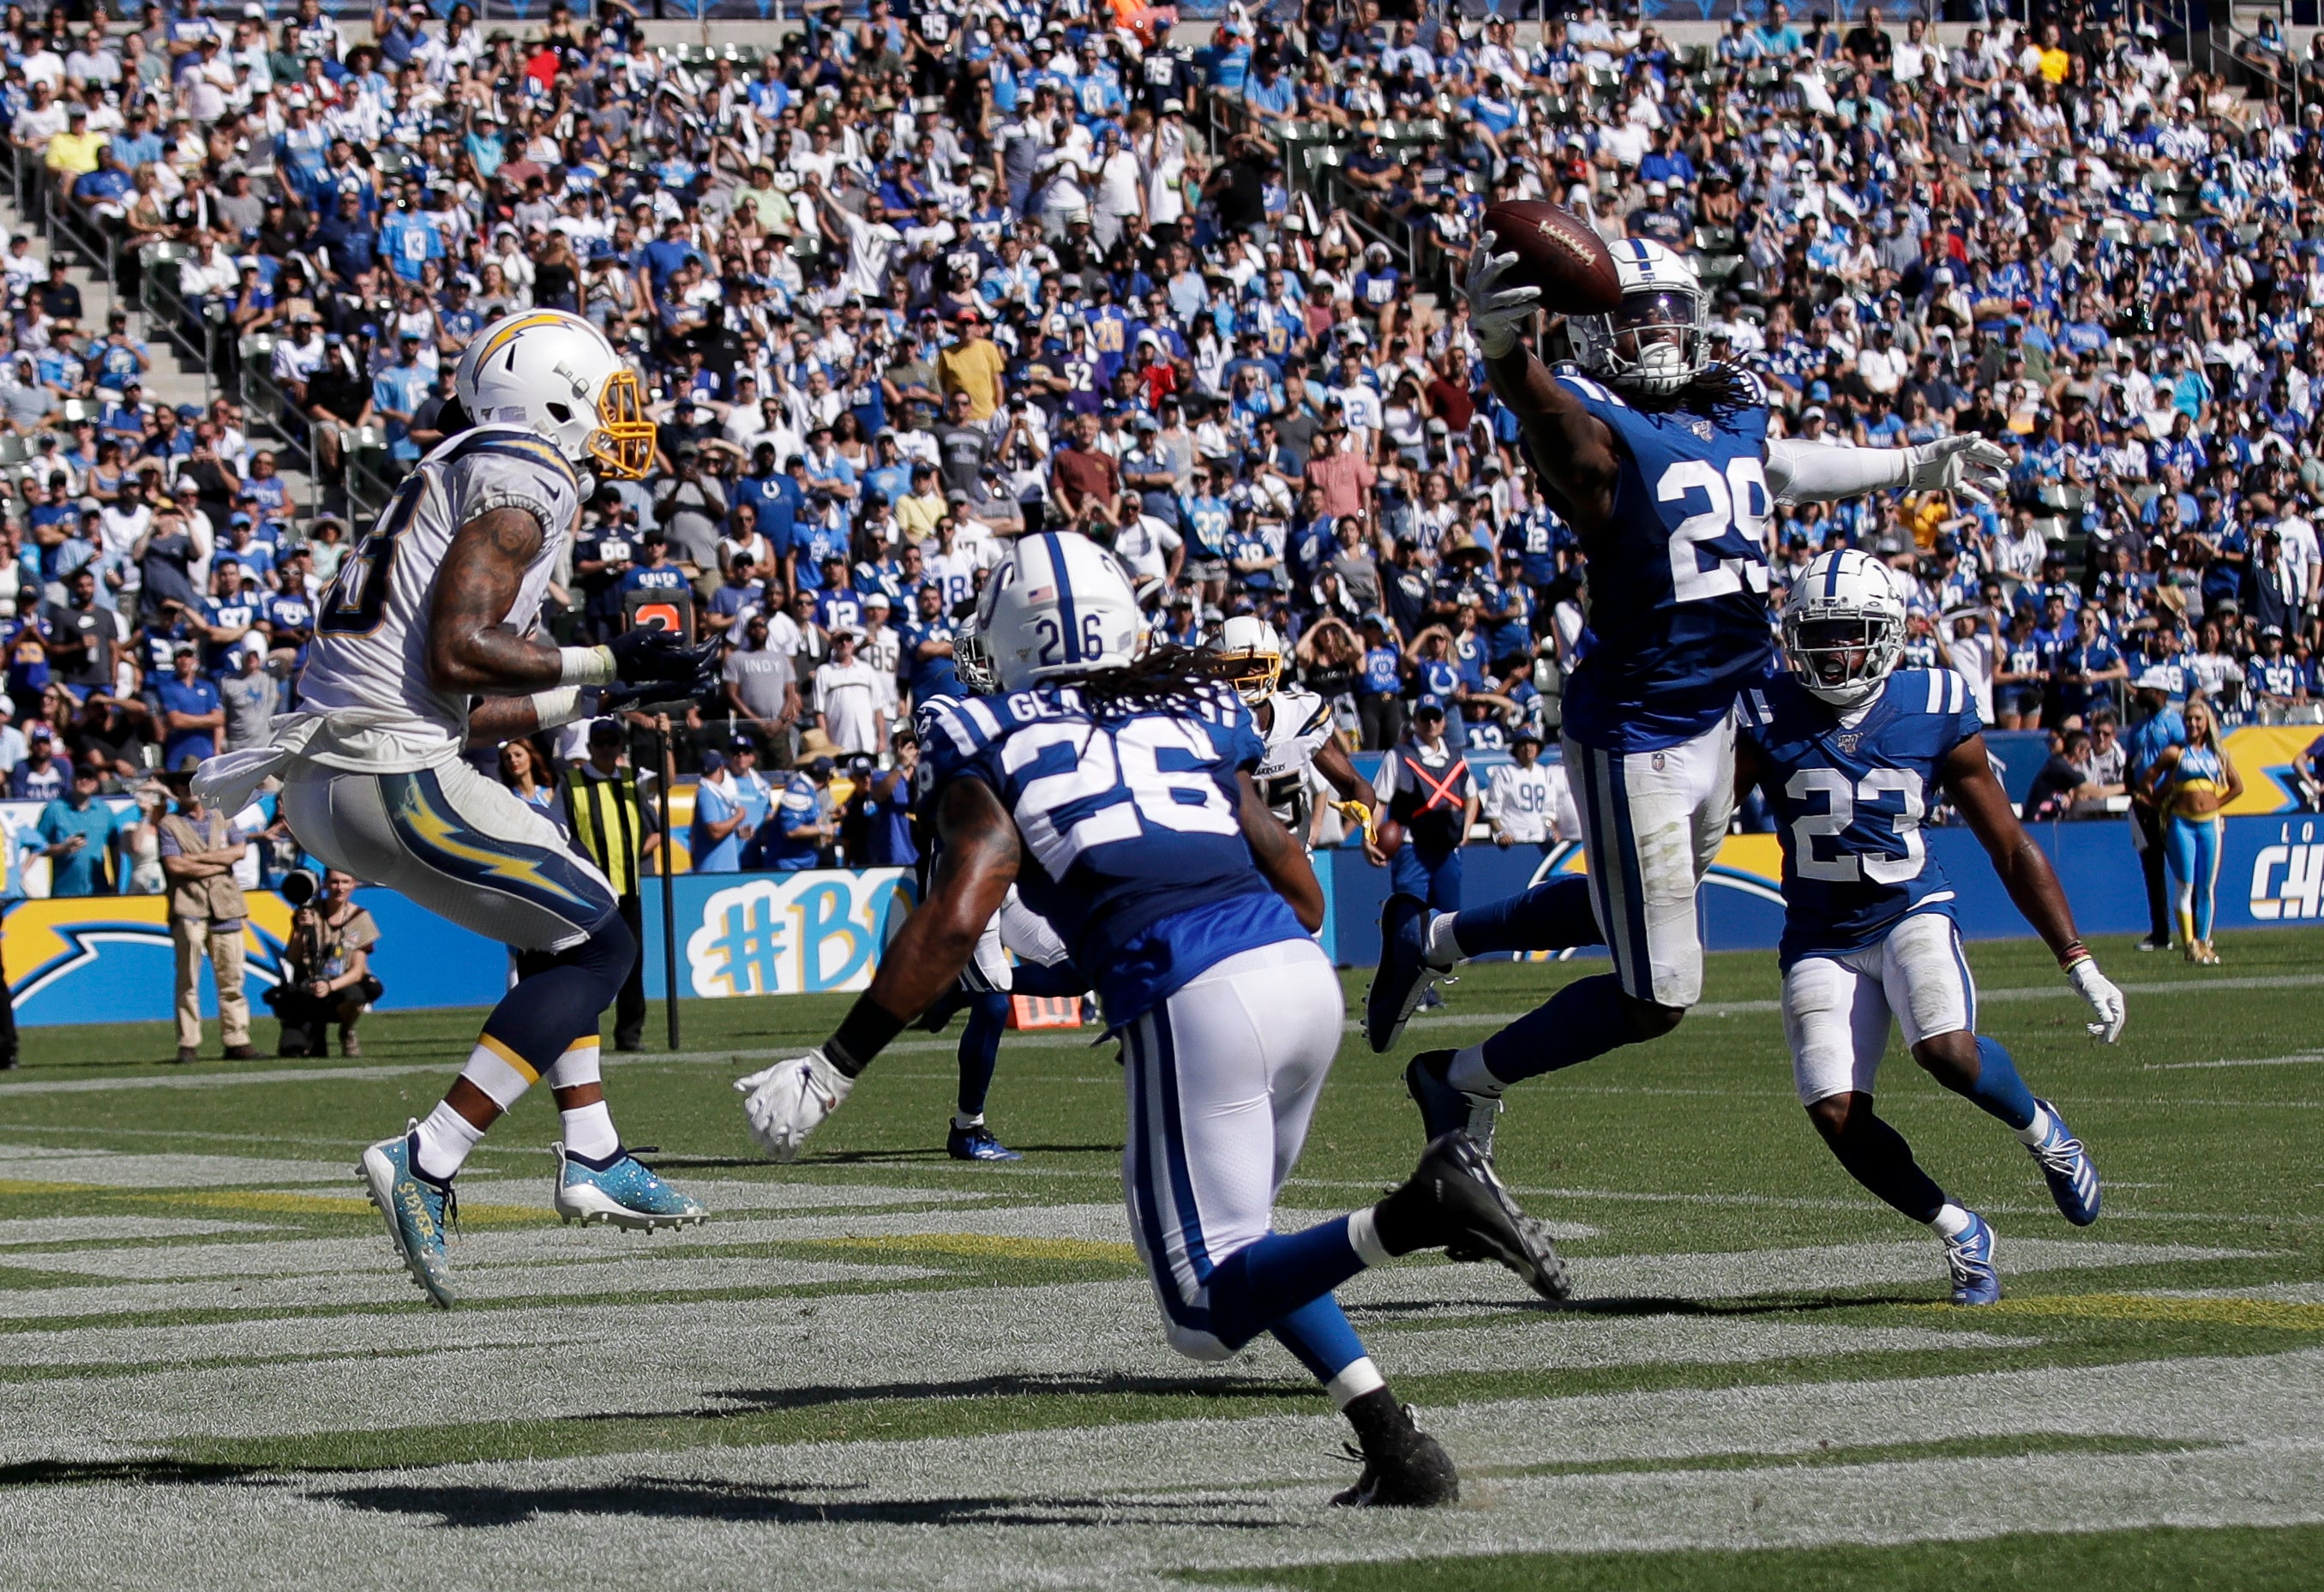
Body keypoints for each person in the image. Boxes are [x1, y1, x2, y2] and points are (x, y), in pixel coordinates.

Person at [733, 532, 1566, 1507]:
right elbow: (1299, 888)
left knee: (1200, 1312)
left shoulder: (983, 731)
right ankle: (1394, 1442)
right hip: (1298, 979)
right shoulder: (1189, 710)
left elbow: (960, 913)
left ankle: (1422, 1209)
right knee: (1247, 1249)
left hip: (1195, 994)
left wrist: (833, 1068)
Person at [1366, 234, 2007, 1153]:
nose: (1659, 329)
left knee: (1627, 907)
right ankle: (1456, 1079)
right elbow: (1560, 438)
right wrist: (1504, 354)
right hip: (1640, 731)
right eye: (1634, 315)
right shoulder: (1590, 419)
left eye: (1670, 309)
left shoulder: (1722, 407)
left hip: (1722, 715)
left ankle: (1431, 939)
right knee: (1658, 993)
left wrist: (1909, 466)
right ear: (1586, 334)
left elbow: (1776, 468)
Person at [192, 310, 713, 1308]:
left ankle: (591, 1149)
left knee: (563, 919)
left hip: (338, 777)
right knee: (601, 943)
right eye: (604, 399)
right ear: (552, 397)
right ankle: (427, 1157)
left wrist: (604, 690)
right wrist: (605, 654)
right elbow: (457, 653)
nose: (617, 421)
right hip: (391, 772)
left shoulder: (461, 468)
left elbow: (469, 700)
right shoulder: (530, 478)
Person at [1735, 550, 2122, 1303]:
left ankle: (2045, 1133)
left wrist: (2075, 958)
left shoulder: (1934, 701)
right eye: (1814, 635)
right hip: (1819, 932)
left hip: (1909, 907)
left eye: (1847, 633)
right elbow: (1703, 820)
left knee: (1944, 1049)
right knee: (1834, 1111)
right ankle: (1961, 1232)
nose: (1829, 651)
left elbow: (2008, 842)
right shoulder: (1763, 708)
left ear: (1884, 634)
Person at [1207, 616, 1377, 851]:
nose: (1250, 674)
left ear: (1274, 665)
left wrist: (1363, 808)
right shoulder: (1204, 727)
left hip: (1293, 859)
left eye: (1258, 663)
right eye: (1238, 665)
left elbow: (1355, 783)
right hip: (1234, 862)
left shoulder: (1301, 715)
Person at [557, 716, 662, 1051]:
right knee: (583, 964)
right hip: (588, 891)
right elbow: (556, 832)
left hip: (628, 888)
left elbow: (668, 781)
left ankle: (630, 1033)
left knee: (632, 963)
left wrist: (665, 740)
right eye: (599, 742)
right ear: (589, 748)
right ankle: (579, 1031)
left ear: (620, 747)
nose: (606, 748)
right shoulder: (571, 785)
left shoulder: (633, 782)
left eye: (612, 742)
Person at [156, 772, 258, 1064]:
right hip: (189, 906)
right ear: (174, 789)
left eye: (192, 782)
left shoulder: (222, 816)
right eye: (181, 784)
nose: (186, 789)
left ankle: (237, 1038)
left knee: (232, 976)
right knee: (188, 978)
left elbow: (239, 852)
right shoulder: (169, 824)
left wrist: (197, 860)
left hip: (226, 905)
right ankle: (188, 1042)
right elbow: (175, 866)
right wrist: (218, 859)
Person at [2144, 694, 2243, 965]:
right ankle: (2189, 945)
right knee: (2185, 884)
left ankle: (2204, 942)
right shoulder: (2175, 753)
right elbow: (2147, 781)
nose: (2192, 723)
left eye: (2198, 719)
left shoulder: (2218, 754)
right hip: (2181, 823)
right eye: (2188, 719)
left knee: (2206, 887)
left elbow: (2238, 786)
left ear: (2207, 722)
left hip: (2209, 823)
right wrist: (2158, 804)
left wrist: (2215, 804)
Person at [267, 868, 383, 1057]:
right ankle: (311, 1033)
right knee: (294, 1051)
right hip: (309, 986)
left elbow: (357, 970)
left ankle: (346, 1031)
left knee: (362, 992)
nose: (340, 888)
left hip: (341, 983)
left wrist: (329, 986)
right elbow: (293, 959)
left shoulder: (360, 917)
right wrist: (300, 930)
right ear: (325, 884)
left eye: (346, 882)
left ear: (354, 884)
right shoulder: (310, 912)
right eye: (335, 882)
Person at [2123, 667, 2189, 952]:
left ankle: (2194, 932)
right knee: (2152, 870)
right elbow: (2129, 765)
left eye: (2145, 690)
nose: (2138, 694)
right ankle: (2160, 933)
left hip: (2169, 803)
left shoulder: (2174, 722)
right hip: (2143, 806)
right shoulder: (2139, 726)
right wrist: (2135, 794)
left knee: (2183, 866)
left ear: (2159, 693)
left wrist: (2163, 794)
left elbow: (2184, 761)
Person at [1481, 729, 1576, 860]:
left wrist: (1552, 830)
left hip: (1539, 841)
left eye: (1532, 744)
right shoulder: (1504, 773)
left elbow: (1549, 811)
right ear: (1516, 749)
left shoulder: (1544, 774)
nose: (1528, 748)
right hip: (1513, 840)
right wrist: (1501, 834)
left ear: (1538, 748)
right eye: (1523, 744)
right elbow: (1493, 810)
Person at [34, 758, 120, 898]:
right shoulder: (54, 809)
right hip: (64, 893)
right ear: (72, 780)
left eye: (89, 777)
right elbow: (37, 847)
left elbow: (115, 848)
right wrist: (63, 848)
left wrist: (117, 882)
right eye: (80, 776)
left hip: (98, 891)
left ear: (96, 784)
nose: (84, 781)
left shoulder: (105, 811)